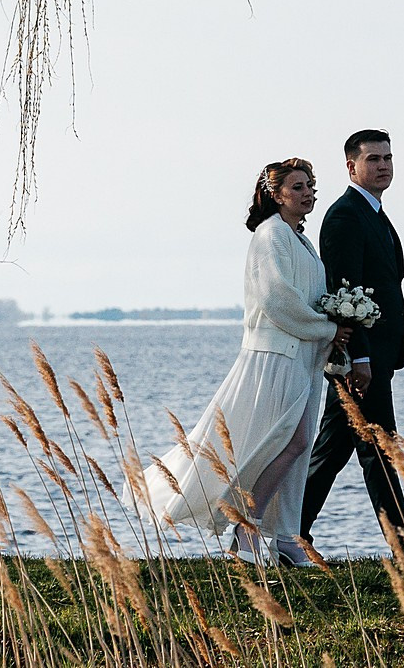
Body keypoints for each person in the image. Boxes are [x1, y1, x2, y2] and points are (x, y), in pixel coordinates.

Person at [132, 158, 345, 566]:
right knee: (283, 441)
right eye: (297, 187)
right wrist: (328, 329)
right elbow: (277, 300)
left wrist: (331, 328)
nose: (307, 193)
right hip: (274, 356)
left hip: (302, 357)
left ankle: (284, 537)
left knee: (297, 447)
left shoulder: (299, 239)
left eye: (310, 186)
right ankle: (245, 533)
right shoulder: (270, 236)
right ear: (275, 193)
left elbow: (310, 299)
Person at [301, 129, 404, 542]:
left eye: (387, 158)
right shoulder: (346, 215)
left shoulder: (376, 214)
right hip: (363, 360)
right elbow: (346, 292)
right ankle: (402, 542)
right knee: (378, 445)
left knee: (334, 450)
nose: (383, 165)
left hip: (378, 356)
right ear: (351, 166)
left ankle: (290, 531)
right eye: (373, 159)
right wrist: (359, 359)